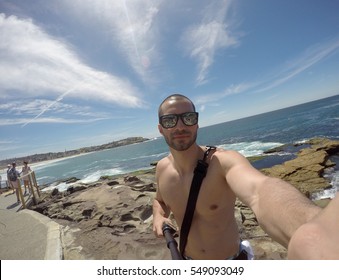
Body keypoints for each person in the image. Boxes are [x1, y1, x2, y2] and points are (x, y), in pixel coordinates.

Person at [152, 93, 339, 260]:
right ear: (161, 129)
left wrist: (312, 229)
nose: (180, 126)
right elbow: (159, 200)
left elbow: (258, 191)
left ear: (197, 124)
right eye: (170, 120)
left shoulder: (222, 162)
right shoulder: (162, 169)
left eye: (188, 118)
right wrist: (159, 216)